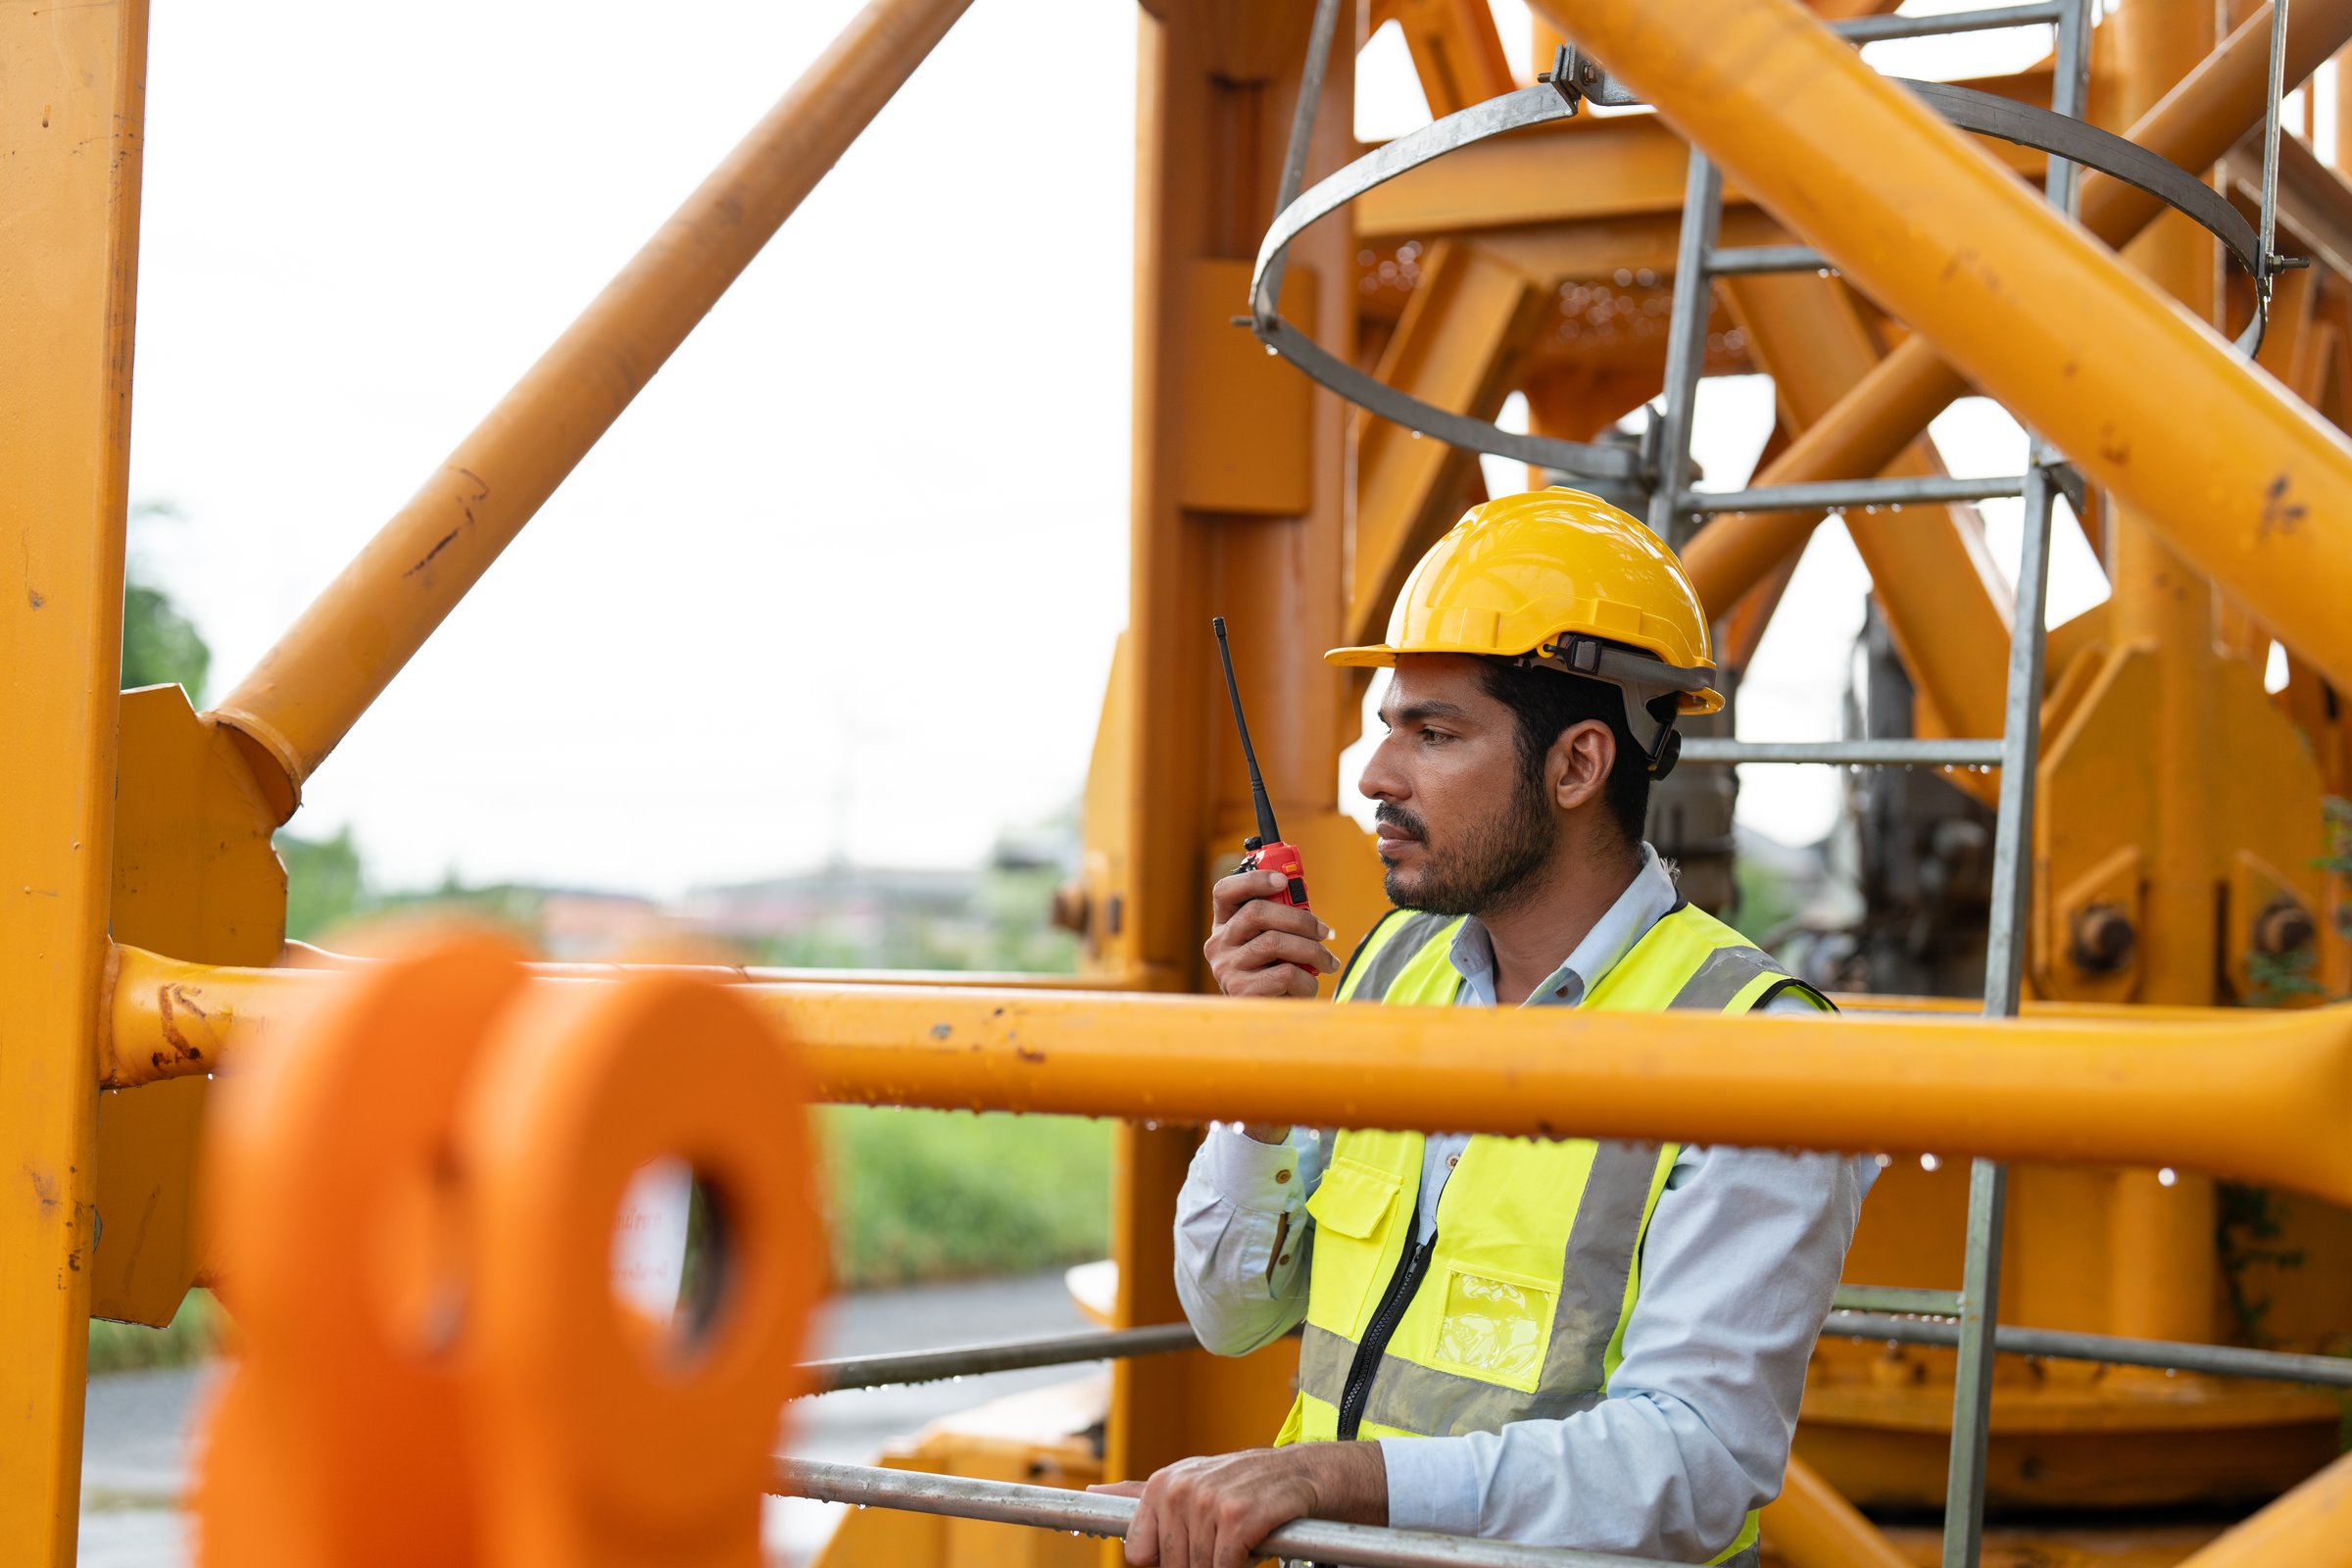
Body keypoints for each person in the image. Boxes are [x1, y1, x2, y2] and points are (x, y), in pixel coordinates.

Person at [1095, 489, 1876, 1568]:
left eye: (1434, 731)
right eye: (1387, 728)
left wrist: (1331, 1478)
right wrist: (1262, 1077)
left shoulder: (1762, 1048)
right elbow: (1230, 1313)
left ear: (1577, 766)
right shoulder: (1384, 974)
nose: (1375, 776)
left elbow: (1690, 1467)